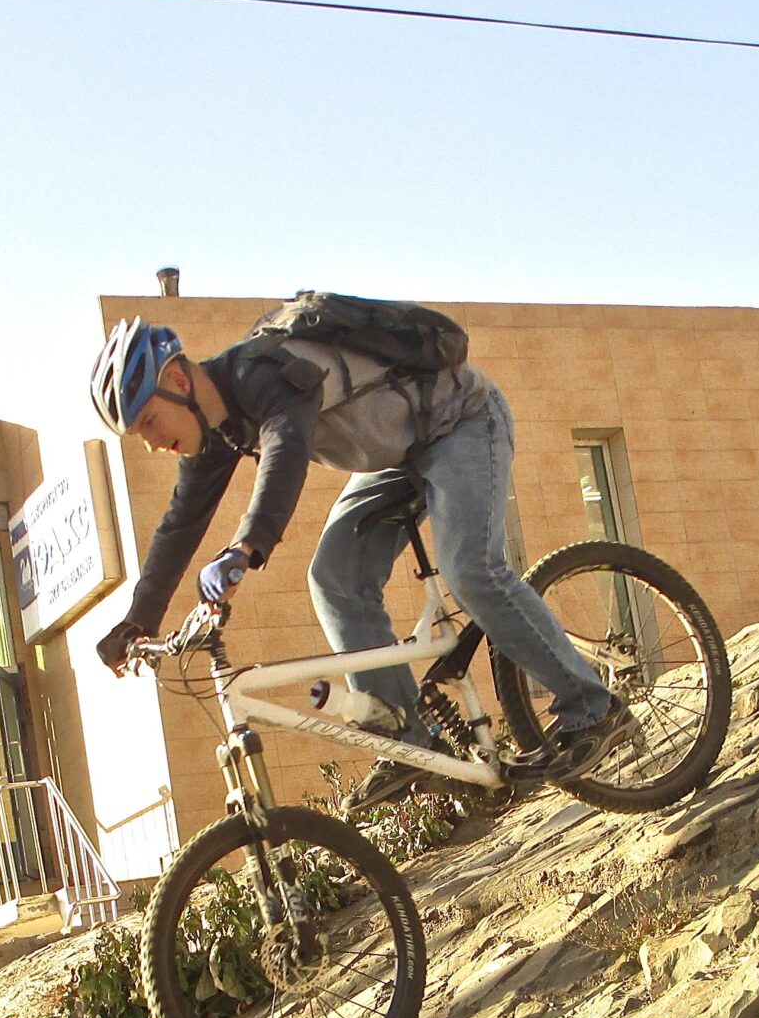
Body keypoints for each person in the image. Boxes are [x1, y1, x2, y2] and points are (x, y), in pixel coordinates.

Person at [90, 313, 627, 802]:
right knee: (333, 580)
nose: (151, 445)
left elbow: (285, 451)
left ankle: (595, 710)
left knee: (469, 569)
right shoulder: (217, 434)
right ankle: (408, 743)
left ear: (178, 383)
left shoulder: (263, 372)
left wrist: (245, 546)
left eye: (148, 424)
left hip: (460, 422)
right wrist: (136, 620)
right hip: (396, 456)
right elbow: (179, 524)